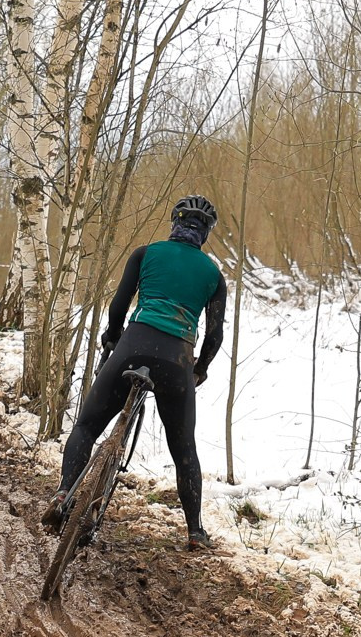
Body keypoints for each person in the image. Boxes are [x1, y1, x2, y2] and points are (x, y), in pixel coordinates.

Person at [44, 195, 227, 551]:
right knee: (184, 450)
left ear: (174, 223)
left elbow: (118, 307)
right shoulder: (213, 275)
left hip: (133, 345)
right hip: (177, 360)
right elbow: (215, 335)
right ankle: (195, 532)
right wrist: (199, 369)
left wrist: (112, 340)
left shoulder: (145, 254)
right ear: (205, 233)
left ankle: (64, 493)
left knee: (86, 427)